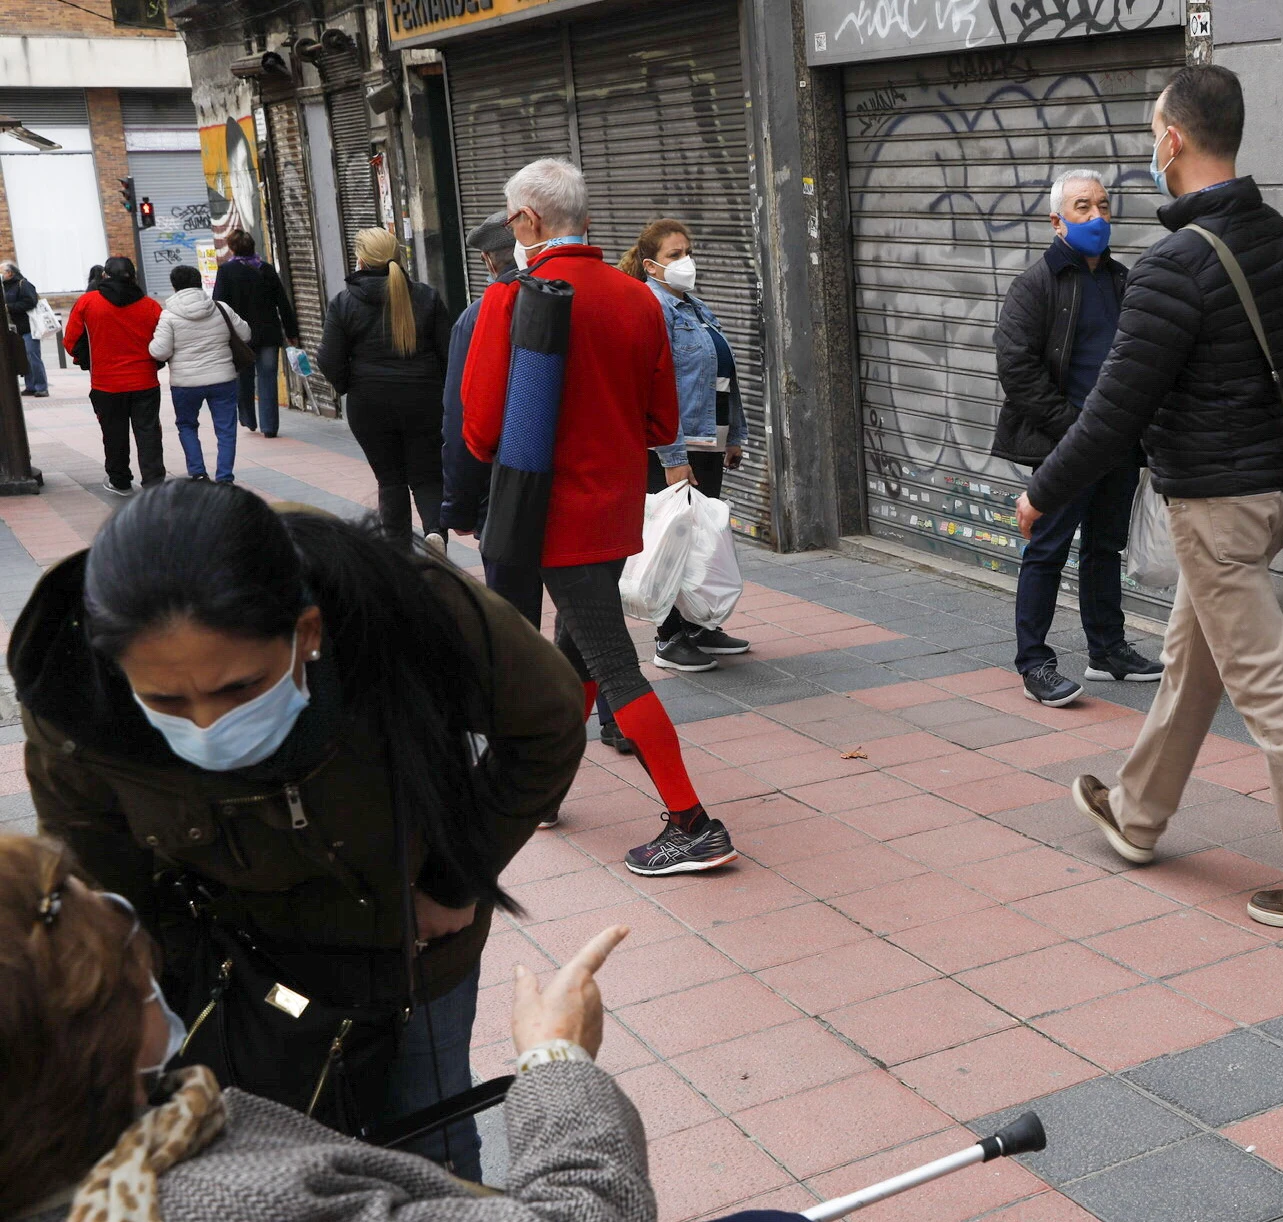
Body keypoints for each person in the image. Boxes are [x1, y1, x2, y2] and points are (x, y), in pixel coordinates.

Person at [9, 480, 588, 1180]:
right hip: (244, 968)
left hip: (415, 942)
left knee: (433, 1145)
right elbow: (106, 894)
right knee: (277, 1161)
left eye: (239, 689)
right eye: (164, 699)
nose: (205, 725)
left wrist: (456, 875)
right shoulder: (74, 703)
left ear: (306, 634)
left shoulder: (401, 603)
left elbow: (548, 720)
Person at [1016, 65, 1283, 931]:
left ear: (1171, 139)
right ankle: (1137, 813)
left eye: (1152, 131)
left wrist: (1043, 488)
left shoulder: (1174, 265)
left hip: (1213, 509)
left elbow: (1114, 413)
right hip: (1270, 498)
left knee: (1269, 690)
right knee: (1193, 663)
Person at [0, 832, 652, 1220]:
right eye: (126, 948)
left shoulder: (114, 1148)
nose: (150, 964)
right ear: (89, 1032)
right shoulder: (231, 1201)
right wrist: (557, 1059)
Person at [461, 158, 739, 877]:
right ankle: (544, 787)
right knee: (578, 646)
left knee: (613, 663)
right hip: (617, 508)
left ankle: (691, 822)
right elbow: (660, 418)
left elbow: (484, 430)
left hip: (552, 517)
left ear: (526, 222)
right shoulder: (638, 298)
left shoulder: (508, 301)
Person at [994, 169, 1165, 708]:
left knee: (1103, 548)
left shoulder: (1123, 281)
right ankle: (1034, 663)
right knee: (1047, 549)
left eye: (1103, 206)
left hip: (1116, 442)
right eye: (1083, 207)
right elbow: (1016, 368)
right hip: (1063, 446)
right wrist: (1076, 431)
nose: (1096, 217)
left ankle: (1107, 650)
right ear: (1057, 220)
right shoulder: (1035, 285)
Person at [613, 217, 753, 675]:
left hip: (706, 441)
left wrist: (733, 435)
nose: (686, 261)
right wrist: (672, 457)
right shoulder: (650, 308)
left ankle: (699, 626)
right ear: (652, 266)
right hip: (671, 448)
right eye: (675, 255)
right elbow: (656, 388)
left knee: (701, 539)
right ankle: (668, 636)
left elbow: (721, 376)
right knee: (671, 538)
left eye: (687, 251)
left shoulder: (692, 306)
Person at [321, 228, 452, 542]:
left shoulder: (344, 303)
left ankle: (399, 557)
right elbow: (450, 352)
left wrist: (349, 385)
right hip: (424, 400)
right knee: (428, 479)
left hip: (370, 403)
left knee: (390, 481)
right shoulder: (426, 296)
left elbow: (329, 360)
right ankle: (435, 533)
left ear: (361, 260)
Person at [441, 211, 519, 556]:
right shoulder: (571, 295)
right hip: (580, 488)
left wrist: (459, 505)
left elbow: (463, 415)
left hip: (501, 488)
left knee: (511, 600)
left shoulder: (476, 317)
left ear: (488, 260)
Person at [62, 257, 165, 495]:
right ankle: (153, 482)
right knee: (148, 431)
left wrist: (87, 362)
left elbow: (71, 341)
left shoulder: (88, 302)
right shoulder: (150, 306)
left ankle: (120, 480)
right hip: (144, 380)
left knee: (113, 432)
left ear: (105, 276)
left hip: (106, 382)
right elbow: (163, 342)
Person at [148, 265, 250, 484]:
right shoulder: (221, 308)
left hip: (186, 383)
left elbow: (160, 351)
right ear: (199, 282)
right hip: (223, 379)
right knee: (226, 429)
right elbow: (245, 333)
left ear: (174, 286)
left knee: (187, 426)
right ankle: (224, 477)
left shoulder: (168, 316)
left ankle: (199, 473)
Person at [213, 229, 301, 436]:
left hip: (241, 336)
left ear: (233, 248)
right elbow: (283, 303)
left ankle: (248, 419)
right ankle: (270, 427)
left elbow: (219, 304)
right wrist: (291, 331)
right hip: (269, 333)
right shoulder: (267, 270)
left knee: (243, 376)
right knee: (267, 378)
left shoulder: (226, 271)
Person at [3, 260, 49, 397]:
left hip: (29, 327)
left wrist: (10, 307)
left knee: (33, 356)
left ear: (10, 273)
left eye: (2, 271)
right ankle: (30, 386)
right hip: (16, 329)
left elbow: (30, 302)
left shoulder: (24, 284)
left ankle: (41, 387)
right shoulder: (5, 287)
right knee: (24, 358)